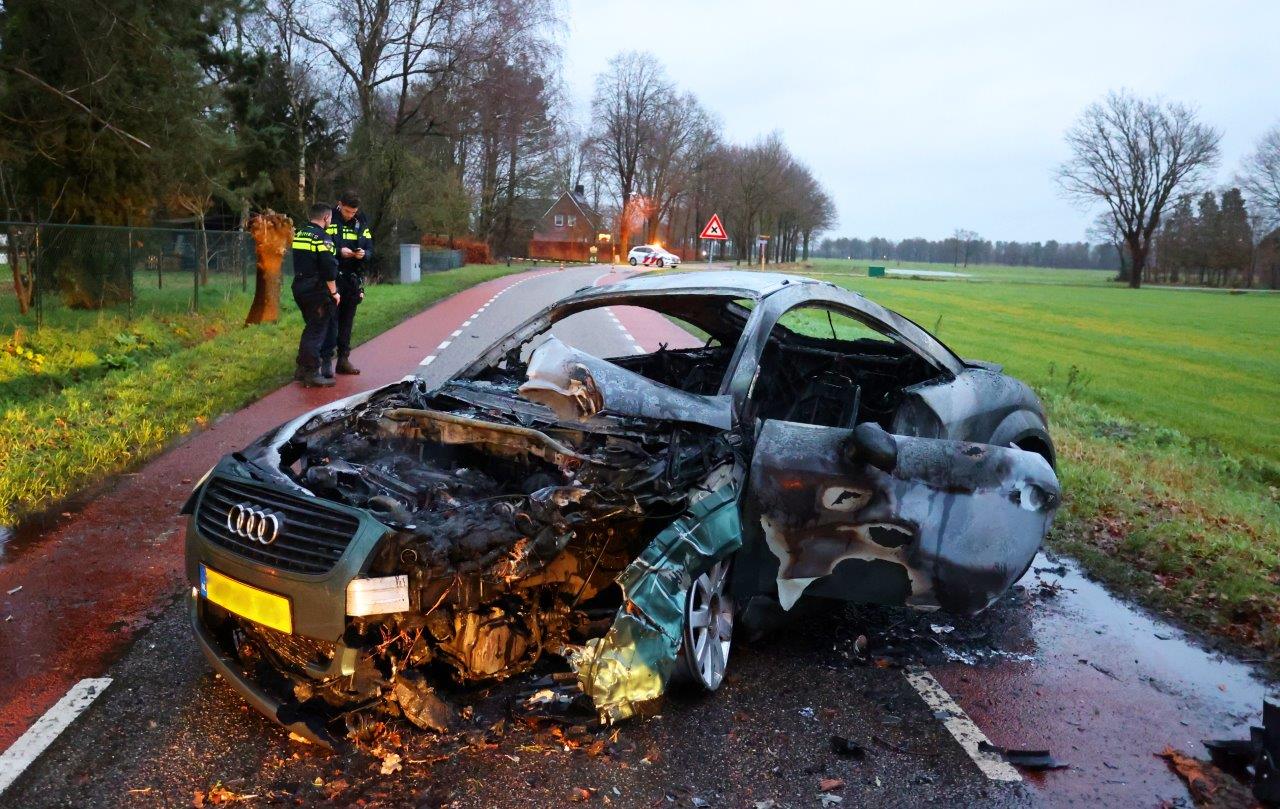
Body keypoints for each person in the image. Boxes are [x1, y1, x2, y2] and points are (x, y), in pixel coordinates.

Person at [321, 190, 373, 376]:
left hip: (352, 278)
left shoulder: (361, 221)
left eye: (353, 212)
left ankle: (343, 359)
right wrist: (338, 251)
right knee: (330, 320)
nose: (350, 215)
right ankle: (326, 361)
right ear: (339, 204)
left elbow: (370, 248)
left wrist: (363, 254)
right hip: (333, 277)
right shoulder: (329, 219)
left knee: (347, 321)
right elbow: (321, 246)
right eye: (347, 211)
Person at [291, 203, 340, 388]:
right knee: (317, 330)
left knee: (311, 327)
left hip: (299, 286)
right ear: (326, 217)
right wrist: (334, 292)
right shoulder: (322, 238)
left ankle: (301, 369)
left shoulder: (300, 234)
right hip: (316, 289)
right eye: (330, 219)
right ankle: (311, 372)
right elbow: (329, 268)